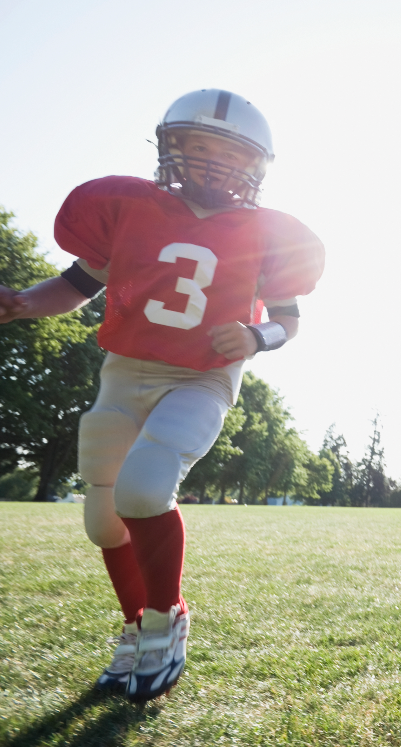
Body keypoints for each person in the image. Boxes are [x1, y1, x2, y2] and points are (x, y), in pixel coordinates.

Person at [0, 89, 325, 702]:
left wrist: (256, 335)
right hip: (125, 371)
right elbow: (74, 286)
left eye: (227, 152)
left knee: (144, 489)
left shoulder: (268, 233)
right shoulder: (126, 208)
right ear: (170, 146)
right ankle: (134, 629)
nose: (210, 162)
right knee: (103, 518)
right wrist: (22, 303)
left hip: (200, 377)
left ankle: (166, 618)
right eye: (198, 146)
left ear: (255, 167)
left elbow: (289, 319)